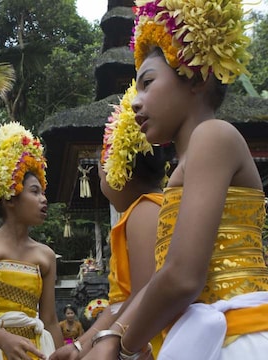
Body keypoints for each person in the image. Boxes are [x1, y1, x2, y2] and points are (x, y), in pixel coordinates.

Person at [86, 1, 268, 359]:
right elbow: (162, 280)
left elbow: (182, 277)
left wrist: (119, 346)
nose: (136, 102)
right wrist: (106, 335)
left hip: (235, 339)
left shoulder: (212, 136)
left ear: (196, 77)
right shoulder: (182, 170)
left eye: (147, 83)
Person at [51, 80, 173, 360]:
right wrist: (80, 345)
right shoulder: (143, 210)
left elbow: (144, 295)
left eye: (102, 166)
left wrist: (108, 343)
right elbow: (122, 302)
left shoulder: (144, 212)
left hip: (148, 341)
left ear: (119, 167)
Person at [0, 122, 64, 360]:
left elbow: (49, 319)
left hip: (33, 350)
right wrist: (2, 338)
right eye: (34, 191)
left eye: (43, 192)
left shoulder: (46, 255)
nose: (43, 199)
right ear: (10, 198)